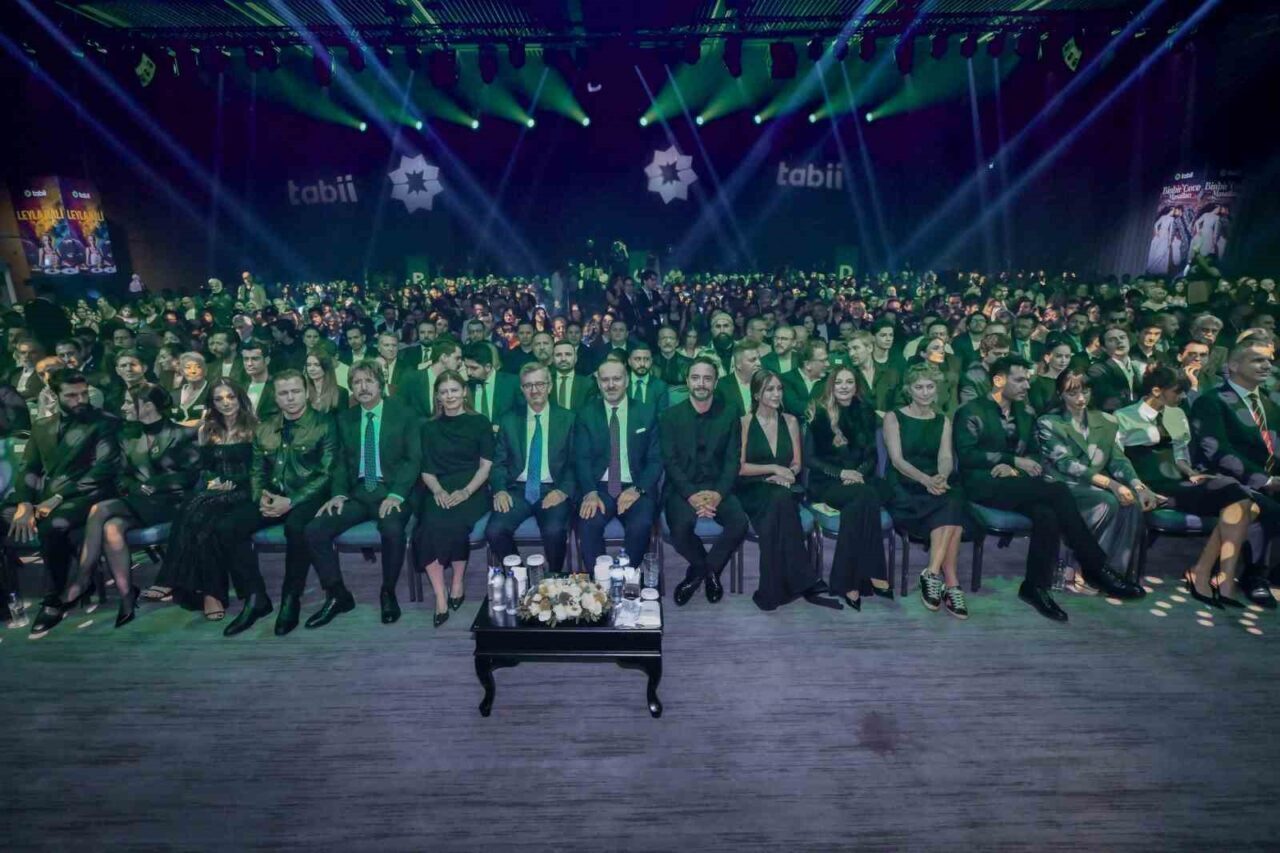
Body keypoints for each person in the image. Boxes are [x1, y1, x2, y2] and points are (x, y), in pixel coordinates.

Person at [954, 357, 1143, 622]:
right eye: (1020, 380)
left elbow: (1033, 453)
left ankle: (1035, 587)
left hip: (1018, 483)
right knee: (1057, 491)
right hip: (981, 484)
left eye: (1028, 379)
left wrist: (1017, 467)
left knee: (1047, 514)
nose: (1027, 385)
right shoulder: (970, 411)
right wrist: (1010, 461)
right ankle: (1095, 566)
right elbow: (967, 455)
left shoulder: (1026, 412)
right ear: (998, 380)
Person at [1117, 366, 1258, 607]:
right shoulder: (1122, 416)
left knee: (1247, 503)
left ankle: (1208, 573)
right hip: (1149, 485)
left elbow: (1180, 456)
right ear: (1156, 390)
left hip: (1178, 482)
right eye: (1178, 391)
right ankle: (1211, 577)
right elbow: (1118, 461)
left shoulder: (1177, 414)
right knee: (1240, 498)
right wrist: (1139, 488)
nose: (1183, 396)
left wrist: (1192, 473)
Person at [68, 383, 199, 628]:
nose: (124, 407)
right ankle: (127, 595)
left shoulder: (183, 434)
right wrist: (136, 486)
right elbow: (121, 476)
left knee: (100, 509)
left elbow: (191, 475)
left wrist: (155, 484)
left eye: (129, 402)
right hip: (139, 501)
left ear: (148, 406)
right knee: (111, 528)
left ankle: (82, 578)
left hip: (171, 503)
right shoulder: (127, 436)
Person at [220, 370, 338, 637]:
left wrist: (291, 501)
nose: (290, 398)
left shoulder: (325, 424)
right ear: (275, 397)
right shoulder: (264, 427)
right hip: (272, 496)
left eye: (295, 391)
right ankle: (256, 597)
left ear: (306, 392)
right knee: (228, 526)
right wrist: (261, 496)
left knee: (296, 527)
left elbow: (327, 473)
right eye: (284, 393)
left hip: (309, 496)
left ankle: (290, 597)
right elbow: (257, 470)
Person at [5, 371, 121, 639]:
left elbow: (104, 469)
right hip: (45, 497)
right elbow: (29, 468)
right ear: (54, 395)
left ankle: (54, 600)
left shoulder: (106, 422)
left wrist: (57, 498)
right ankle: (5, 599)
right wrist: (25, 503)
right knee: (6, 518)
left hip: (90, 494)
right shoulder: (42, 425)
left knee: (53, 526)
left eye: (83, 393)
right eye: (71, 395)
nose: (80, 400)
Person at [306, 361, 419, 629]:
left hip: (392, 491)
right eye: (357, 382)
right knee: (314, 530)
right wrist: (338, 494)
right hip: (357, 494)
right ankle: (338, 594)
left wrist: (397, 494)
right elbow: (340, 463)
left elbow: (413, 459)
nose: (363, 387)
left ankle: (388, 592)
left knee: (392, 529)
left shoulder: (404, 414)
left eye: (369, 381)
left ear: (381, 384)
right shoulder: (345, 419)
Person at [145, 378, 259, 620]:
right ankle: (211, 594)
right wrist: (213, 481)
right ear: (212, 403)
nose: (226, 403)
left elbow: (260, 469)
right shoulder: (207, 429)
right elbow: (205, 468)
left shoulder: (255, 426)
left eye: (230, 397)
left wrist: (233, 482)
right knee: (195, 509)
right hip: (217, 490)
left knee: (200, 512)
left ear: (240, 398)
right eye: (219, 399)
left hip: (246, 491)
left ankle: (172, 579)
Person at [1036, 370, 1156, 588]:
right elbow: (1066, 463)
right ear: (1060, 394)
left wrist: (1138, 486)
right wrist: (1111, 484)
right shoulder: (1049, 422)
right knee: (1107, 501)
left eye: (1086, 391)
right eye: (1073, 393)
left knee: (1131, 503)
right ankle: (1089, 569)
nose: (1081, 398)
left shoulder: (1107, 421)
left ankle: (1116, 573)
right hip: (1060, 486)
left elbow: (1118, 460)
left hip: (1095, 486)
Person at [735, 369, 839, 611]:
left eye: (779, 389)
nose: (776, 394)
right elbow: (740, 468)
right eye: (769, 389)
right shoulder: (744, 423)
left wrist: (788, 474)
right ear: (756, 394)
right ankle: (803, 578)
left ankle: (770, 591)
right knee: (779, 502)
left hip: (783, 487)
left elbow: (796, 463)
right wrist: (773, 469)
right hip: (752, 488)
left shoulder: (791, 421)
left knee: (778, 502)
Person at [1190, 342, 1280, 608]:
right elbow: (1217, 451)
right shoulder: (1212, 401)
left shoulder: (1272, 403)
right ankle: (1254, 576)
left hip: (1268, 481)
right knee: (1262, 506)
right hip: (1224, 481)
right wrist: (1265, 481)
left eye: (1269, 360)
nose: (1266, 365)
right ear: (1233, 365)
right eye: (1257, 360)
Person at [883, 364, 972, 617]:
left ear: (937, 389)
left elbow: (945, 457)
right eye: (919, 387)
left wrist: (941, 476)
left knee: (953, 499)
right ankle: (951, 583)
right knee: (952, 511)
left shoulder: (943, 420)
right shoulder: (893, 417)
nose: (925, 392)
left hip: (934, 481)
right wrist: (926, 480)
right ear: (909, 390)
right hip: (905, 485)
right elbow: (897, 461)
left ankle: (934, 574)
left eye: (930, 386)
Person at [662, 357, 750, 606]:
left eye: (707, 378)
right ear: (687, 381)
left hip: (718, 487)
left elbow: (732, 460)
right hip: (683, 489)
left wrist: (718, 494)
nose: (701, 383)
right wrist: (691, 495)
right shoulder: (669, 416)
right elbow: (670, 462)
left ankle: (698, 574)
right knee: (679, 529)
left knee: (739, 523)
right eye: (696, 378)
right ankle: (709, 573)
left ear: (715, 382)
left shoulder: (729, 413)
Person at [806, 366, 892, 610]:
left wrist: (858, 474)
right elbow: (810, 459)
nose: (844, 387)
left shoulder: (866, 412)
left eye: (849, 382)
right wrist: (842, 473)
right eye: (839, 382)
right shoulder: (820, 413)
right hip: (829, 481)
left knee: (864, 498)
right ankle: (874, 573)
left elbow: (872, 456)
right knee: (867, 496)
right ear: (831, 386)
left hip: (860, 480)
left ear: (856, 387)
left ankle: (847, 581)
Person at [416, 369, 492, 627]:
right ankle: (440, 595)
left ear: (464, 392)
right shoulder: (428, 427)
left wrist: (466, 491)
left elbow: (485, 466)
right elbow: (426, 470)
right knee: (426, 528)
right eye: (444, 392)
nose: (449, 396)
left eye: (454, 390)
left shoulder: (480, 422)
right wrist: (438, 490)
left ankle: (457, 581)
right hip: (438, 487)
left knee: (456, 523)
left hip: (473, 488)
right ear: (437, 396)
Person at [485, 363, 577, 573]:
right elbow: (499, 462)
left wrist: (563, 491)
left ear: (550, 386)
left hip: (553, 489)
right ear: (522, 389)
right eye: (528, 385)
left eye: (539, 384)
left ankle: (553, 577)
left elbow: (575, 463)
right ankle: (520, 575)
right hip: (517, 490)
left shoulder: (568, 419)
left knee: (554, 531)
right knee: (495, 530)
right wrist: (500, 490)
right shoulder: (509, 420)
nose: (534, 390)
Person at [575, 359, 662, 569]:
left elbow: (656, 459)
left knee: (641, 525)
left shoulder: (647, 412)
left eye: (617, 379)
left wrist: (637, 489)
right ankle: (600, 580)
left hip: (636, 485)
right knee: (588, 524)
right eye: (605, 380)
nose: (611, 385)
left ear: (627, 380)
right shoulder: (586, 414)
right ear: (598, 382)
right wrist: (590, 492)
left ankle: (626, 576)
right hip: (599, 487)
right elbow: (581, 458)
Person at [1086, 327, 1143, 413]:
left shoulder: (1136, 367)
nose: (1119, 341)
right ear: (1104, 348)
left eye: (1122, 337)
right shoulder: (1098, 370)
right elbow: (1109, 400)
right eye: (1112, 340)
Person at [463, 342, 520, 424]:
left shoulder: (512, 383)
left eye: (474, 368)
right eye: (466, 367)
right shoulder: (466, 386)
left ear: (488, 367)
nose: (468, 373)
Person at [1030, 332, 1073, 416]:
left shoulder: (1071, 379)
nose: (1063, 361)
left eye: (1067, 357)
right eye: (1059, 356)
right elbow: (1039, 409)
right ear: (1047, 358)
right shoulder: (1037, 382)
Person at [549, 339, 595, 410]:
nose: (563, 359)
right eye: (558, 355)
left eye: (568, 354)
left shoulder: (588, 384)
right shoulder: (545, 383)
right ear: (552, 359)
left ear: (575, 358)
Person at [240, 339, 278, 420]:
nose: (249, 364)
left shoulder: (277, 386)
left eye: (255, 359)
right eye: (246, 359)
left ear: (267, 360)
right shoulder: (240, 387)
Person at [626, 342, 670, 410]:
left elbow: (662, 414)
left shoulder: (660, 386)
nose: (642, 364)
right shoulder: (621, 383)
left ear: (651, 361)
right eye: (637, 359)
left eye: (646, 359)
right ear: (629, 361)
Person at [303, 350, 348, 415]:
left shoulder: (341, 392)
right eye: (308, 365)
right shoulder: (303, 390)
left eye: (317, 365)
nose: (311, 369)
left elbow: (343, 419)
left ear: (326, 367)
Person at [173, 352, 210, 424]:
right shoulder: (174, 395)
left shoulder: (212, 391)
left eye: (198, 367)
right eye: (188, 367)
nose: (193, 371)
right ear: (182, 371)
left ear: (205, 370)